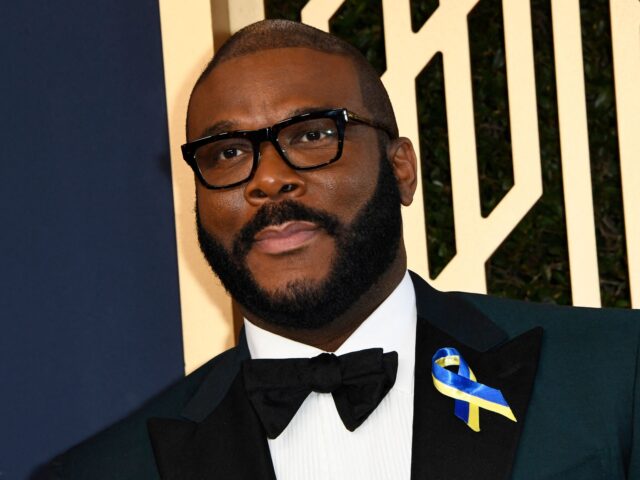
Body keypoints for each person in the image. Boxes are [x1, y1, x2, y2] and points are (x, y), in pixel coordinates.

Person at [49, 19, 640, 480]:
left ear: (401, 168)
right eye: (228, 153)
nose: (267, 180)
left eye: (312, 135)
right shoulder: (107, 471)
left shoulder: (614, 374)